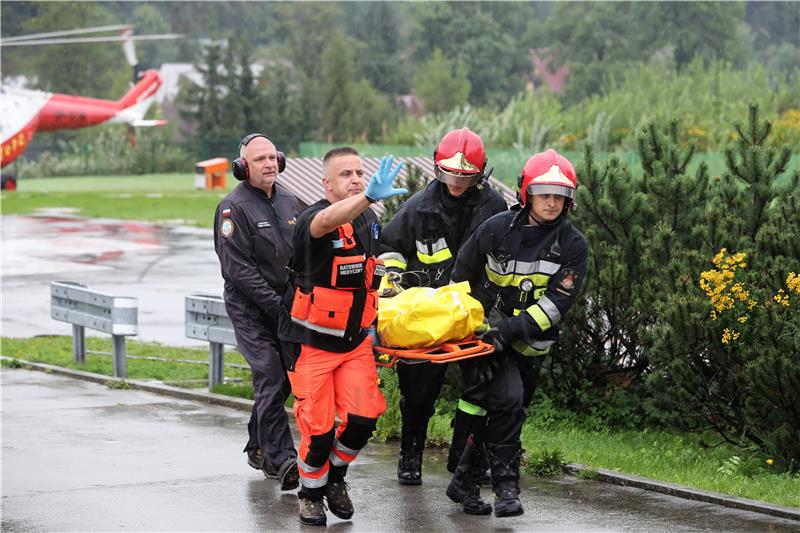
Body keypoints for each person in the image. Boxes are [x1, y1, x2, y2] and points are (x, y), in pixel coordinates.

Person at [446, 149, 588, 517]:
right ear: (527, 193)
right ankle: (507, 488)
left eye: (560, 195)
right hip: (483, 339)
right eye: (544, 194)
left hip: (526, 346)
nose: (552, 202)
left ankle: (464, 481)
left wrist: (505, 333)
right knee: (504, 403)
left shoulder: (573, 245)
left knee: (510, 412)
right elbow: (461, 277)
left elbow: (557, 305)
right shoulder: (496, 228)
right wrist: (474, 329)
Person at [279, 148, 407, 526]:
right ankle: (310, 494)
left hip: (353, 344)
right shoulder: (310, 219)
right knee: (318, 432)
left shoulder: (367, 219)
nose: (354, 179)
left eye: (359, 173)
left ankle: (335, 479)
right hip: (310, 345)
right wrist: (366, 197)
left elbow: (368, 269)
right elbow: (325, 221)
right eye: (345, 175)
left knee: (365, 419)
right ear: (326, 183)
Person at [378, 127, 508, 486]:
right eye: (449, 174)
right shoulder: (419, 207)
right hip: (429, 320)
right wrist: (396, 290)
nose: (455, 182)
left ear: (479, 175)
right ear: (438, 169)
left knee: (480, 391)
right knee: (417, 393)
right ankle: (410, 454)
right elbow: (389, 248)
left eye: (464, 176)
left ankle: (463, 465)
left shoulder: (494, 208)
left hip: (474, 314)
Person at [213, 133, 299, 490]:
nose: (268, 164)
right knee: (270, 375)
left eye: (271, 158)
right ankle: (283, 460)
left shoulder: (292, 202)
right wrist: (277, 305)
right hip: (250, 309)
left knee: (288, 381)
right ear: (243, 166)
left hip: (285, 307)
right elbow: (238, 269)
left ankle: (257, 445)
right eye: (259, 159)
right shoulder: (232, 208)